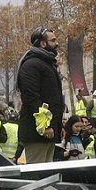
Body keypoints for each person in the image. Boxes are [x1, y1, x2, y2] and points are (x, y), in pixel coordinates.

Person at [17, 27, 63, 164]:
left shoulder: (46, 64)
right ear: (43, 43)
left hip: (46, 132)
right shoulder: (32, 65)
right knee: (39, 176)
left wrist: (56, 126)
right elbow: (32, 98)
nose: (57, 43)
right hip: (37, 132)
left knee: (47, 175)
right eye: (53, 40)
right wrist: (46, 126)